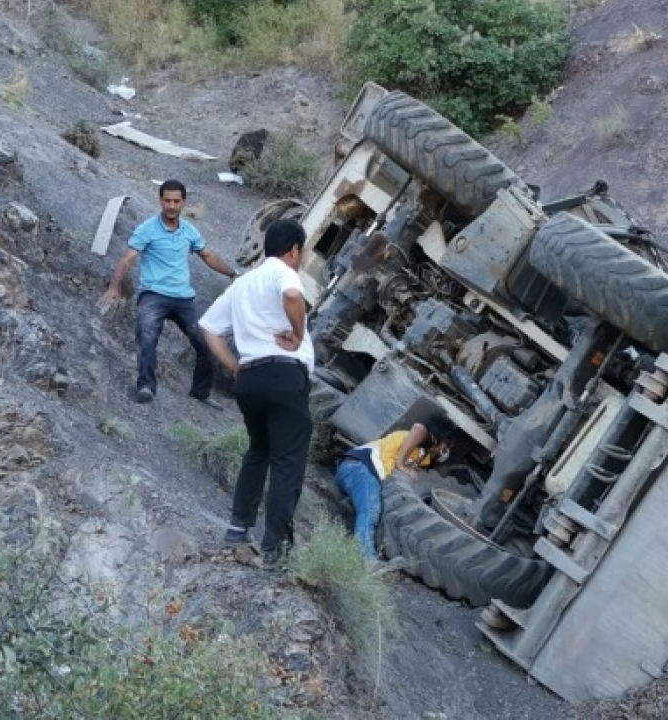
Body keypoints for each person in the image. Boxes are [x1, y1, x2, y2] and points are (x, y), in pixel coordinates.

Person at [198, 218, 313, 565]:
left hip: (250, 378)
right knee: (287, 461)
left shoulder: (243, 282)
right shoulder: (284, 272)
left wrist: (234, 367)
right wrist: (297, 331)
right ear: (294, 250)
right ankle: (275, 547)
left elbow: (208, 327)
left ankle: (238, 527)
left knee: (258, 452)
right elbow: (292, 296)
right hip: (283, 375)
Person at [99, 179, 240, 404]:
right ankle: (146, 386)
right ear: (160, 200)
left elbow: (208, 256)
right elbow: (127, 260)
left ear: (184, 202)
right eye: (167, 201)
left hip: (184, 298)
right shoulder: (147, 229)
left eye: (176, 201)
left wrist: (231, 273)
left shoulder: (189, 231)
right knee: (146, 335)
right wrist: (114, 287)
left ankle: (200, 392)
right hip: (154, 295)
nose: (171, 206)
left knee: (207, 342)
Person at [335, 415, 455, 558]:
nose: (445, 451)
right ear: (437, 439)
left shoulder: (423, 457)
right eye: (446, 445)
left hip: (362, 476)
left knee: (374, 507)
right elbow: (420, 428)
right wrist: (400, 463)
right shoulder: (414, 437)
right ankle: (364, 558)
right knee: (371, 509)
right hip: (359, 468)